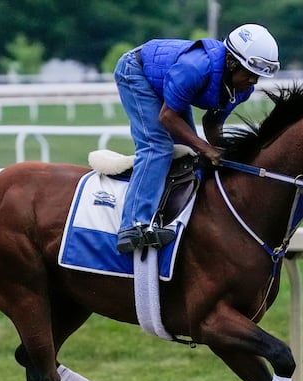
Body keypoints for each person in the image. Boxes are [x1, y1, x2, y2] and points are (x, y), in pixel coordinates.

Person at [114, 24, 280, 253]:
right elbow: (167, 117)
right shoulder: (196, 68)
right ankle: (132, 226)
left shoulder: (242, 89)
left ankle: (167, 216)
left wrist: (222, 152)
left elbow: (213, 123)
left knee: (187, 153)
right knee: (157, 147)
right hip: (135, 70)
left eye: (258, 76)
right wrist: (206, 149)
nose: (253, 81)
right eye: (250, 74)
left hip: (166, 81)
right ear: (232, 62)